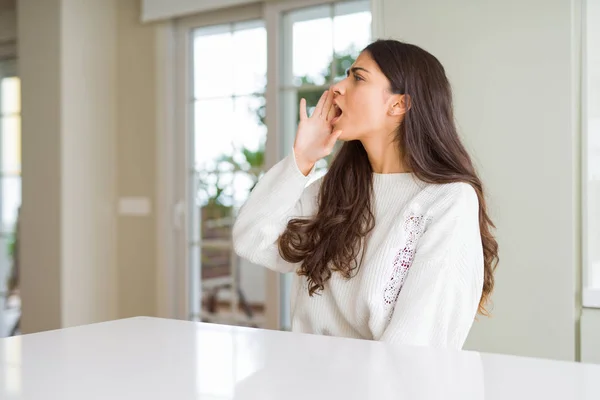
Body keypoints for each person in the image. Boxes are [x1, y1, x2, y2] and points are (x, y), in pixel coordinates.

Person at [232, 39, 499, 349]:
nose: (337, 88)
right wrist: (302, 159)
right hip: (305, 380)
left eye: (358, 78)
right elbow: (252, 239)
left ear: (399, 104)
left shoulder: (446, 201)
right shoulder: (334, 190)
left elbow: (415, 349)